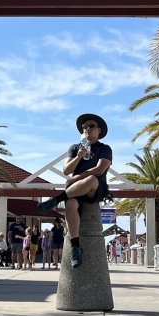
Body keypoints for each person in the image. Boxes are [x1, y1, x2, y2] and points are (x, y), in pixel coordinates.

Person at [37, 113, 113, 268]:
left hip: (95, 188)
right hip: (75, 191)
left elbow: (99, 170)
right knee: (70, 204)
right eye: (85, 127)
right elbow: (66, 170)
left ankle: (56, 199)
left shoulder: (105, 149)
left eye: (91, 126)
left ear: (99, 130)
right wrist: (78, 157)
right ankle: (76, 248)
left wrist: (76, 178)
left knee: (91, 179)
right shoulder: (74, 148)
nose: (87, 129)